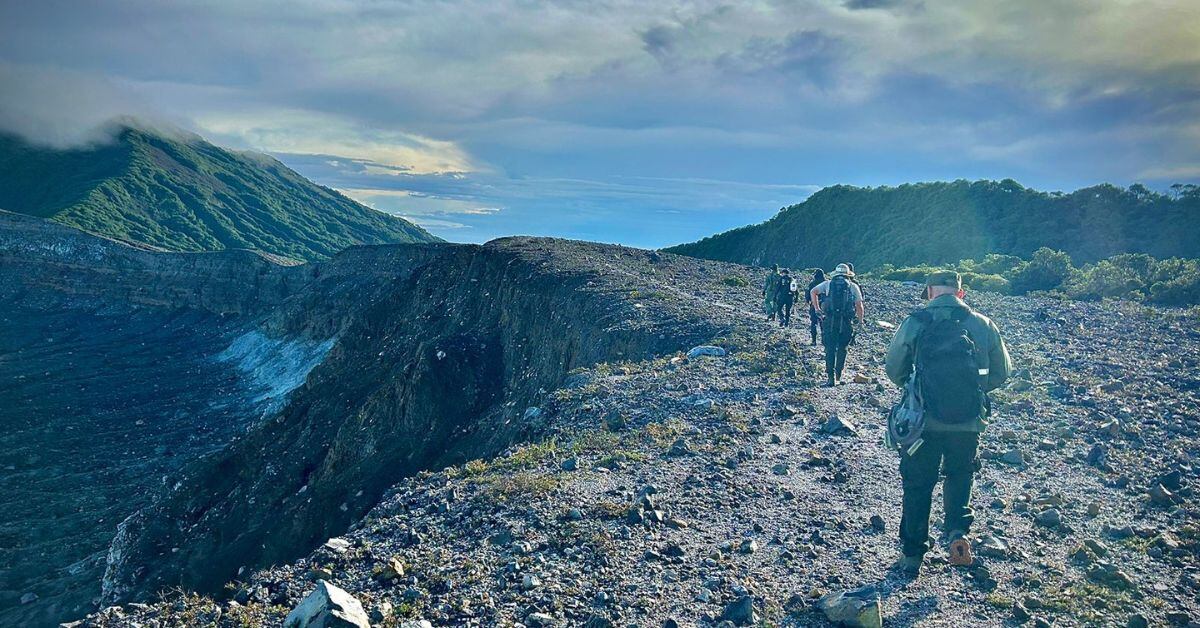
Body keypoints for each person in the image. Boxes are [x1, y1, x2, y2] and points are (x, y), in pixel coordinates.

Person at [884, 270, 1012, 577]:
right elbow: (1002, 372)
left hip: (923, 423)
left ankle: (913, 555)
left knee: (918, 484)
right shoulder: (982, 324)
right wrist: (971, 391)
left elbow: (894, 369)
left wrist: (917, 389)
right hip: (968, 422)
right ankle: (957, 533)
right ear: (960, 293)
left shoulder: (915, 322)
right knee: (960, 474)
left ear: (929, 292)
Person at [810, 263, 863, 386]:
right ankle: (838, 375)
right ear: (848, 274)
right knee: (843, 348)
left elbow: (813, 292)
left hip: (829, 320)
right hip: (845, 322)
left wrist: (817, 309)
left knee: (829, 348)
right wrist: (860, 321)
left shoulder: (828, 284)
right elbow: (859, 306)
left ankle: (830, 378)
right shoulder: (853, 286)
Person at [805, 269, 826, 345]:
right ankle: (824, 341)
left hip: (814, 304)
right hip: (825, 306)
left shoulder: (812, 284)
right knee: (823, 323)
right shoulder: (826, 283)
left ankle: (814, 341)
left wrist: (808, 301)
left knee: (814, 322)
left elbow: (808, 294)